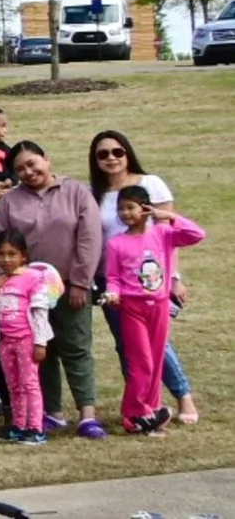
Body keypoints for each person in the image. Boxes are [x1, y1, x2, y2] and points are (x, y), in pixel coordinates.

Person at [0, 141, 106, 439]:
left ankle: (87, 414)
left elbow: (89, 238)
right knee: (41, 350)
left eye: (32, 164)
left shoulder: (75, 191)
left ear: (47, 160)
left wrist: (80, 282)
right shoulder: (9, 202)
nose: (28, 172)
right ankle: (52, 412)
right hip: (26, 292)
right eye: (20, 169)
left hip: (69, 285)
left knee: (76, 347)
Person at [87, 130, 199, 424]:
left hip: (151, 282)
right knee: (127, 346)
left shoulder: (150, 184)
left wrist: (174, 277)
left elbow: (170, 235)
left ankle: (183, 396)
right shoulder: (94, 193)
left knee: (157, 345)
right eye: (102, 154)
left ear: (127, 153)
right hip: (113, 281)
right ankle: (141, 407)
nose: (111, 158)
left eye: (117, 151)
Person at [101, 186, 203, 435]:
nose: (125, 213)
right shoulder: (116, 243)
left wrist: (168, 216)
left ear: (145, 209)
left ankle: (151, 410)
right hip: (131, 308)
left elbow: (196, 235)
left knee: (156, 361)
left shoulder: (163, 233)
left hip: (159, 306)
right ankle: (133, 413)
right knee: (141, 362)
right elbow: (113, 277)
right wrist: (113, 293)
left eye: (131, 207)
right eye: (121, 209)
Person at [0, 230, 60, 445]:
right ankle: (18, 425)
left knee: (29, 383)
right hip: (4, 340)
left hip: (27, 339)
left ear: (23, 255)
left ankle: (35, 428)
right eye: (1, 254)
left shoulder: (33, 278)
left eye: (12, 254)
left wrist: (40, 342)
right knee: (13, 384)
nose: (6, 259)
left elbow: (40, 312)